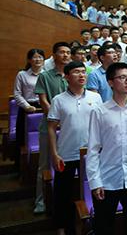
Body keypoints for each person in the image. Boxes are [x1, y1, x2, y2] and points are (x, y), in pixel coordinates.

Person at [86, 62, 127, 235]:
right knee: (104, 226)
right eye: (122, 77)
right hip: (108, 179)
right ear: (110, 82)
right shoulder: (100, 112)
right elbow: (93, 149)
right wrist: (95, 182)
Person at [47, 61, 101, 235]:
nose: (82, 75)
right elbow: (51, 128)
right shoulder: (58, 100)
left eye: (83, 72)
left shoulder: (96, 97)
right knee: (63, 194)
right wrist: (54, 154)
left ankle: (93, 228)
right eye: (76, 72)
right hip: (67, 153)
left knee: (95, 190)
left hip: (92, 153)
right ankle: (62, 229)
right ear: (67, 77)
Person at [33, 41, 71, 214]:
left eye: (68, 52)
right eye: (62, 52)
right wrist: (57, 118)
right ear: (54, 55)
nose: (65, 55)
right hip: (49, 126)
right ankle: (40, 201)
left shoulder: (73, 75)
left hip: (70, 128)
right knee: (44, 165)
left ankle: (64, 202)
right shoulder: (45, 76)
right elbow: (43, 101)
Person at [13, 48, 45, 162]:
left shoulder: (47, 74)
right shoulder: (22, 74)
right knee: (23, 138)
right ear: (29, 60)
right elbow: (17, 94)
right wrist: (27, 106)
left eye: (40, 57)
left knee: (44, 137)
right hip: (27, 108)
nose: (38, 59)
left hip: (44, 107)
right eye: (35, 57)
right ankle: (22, 166)